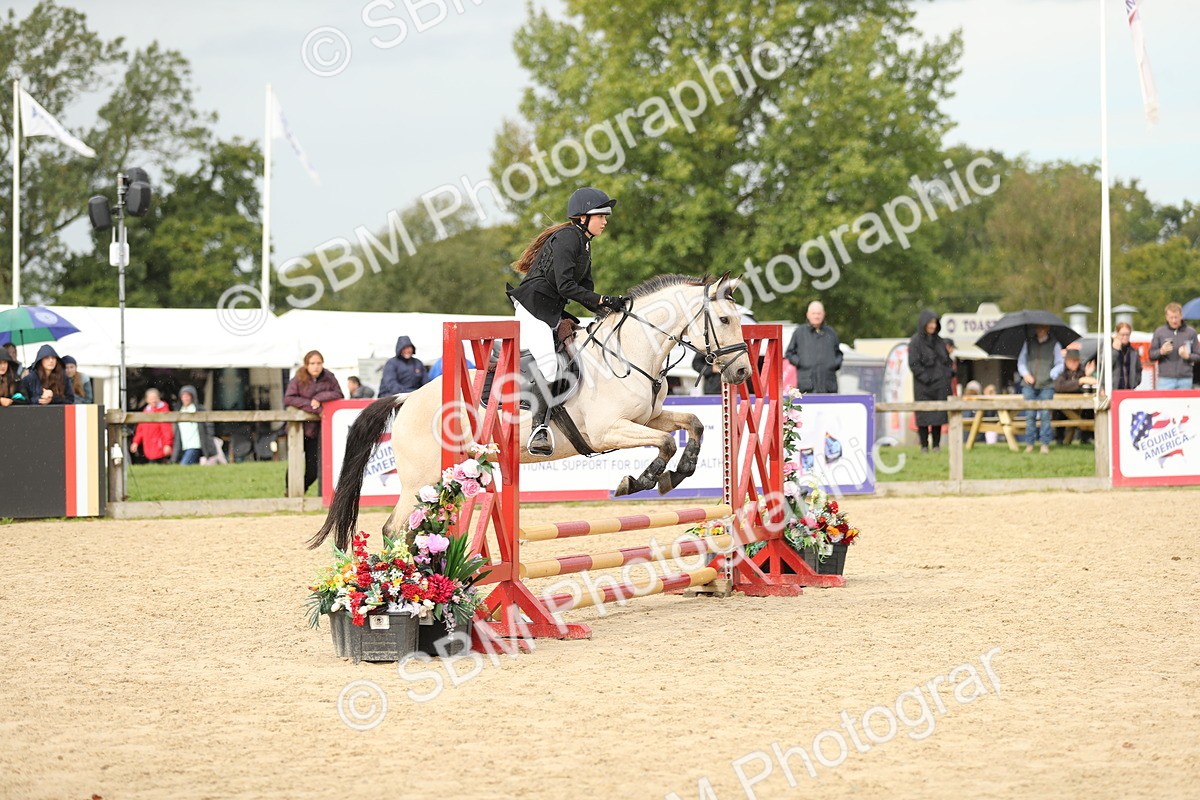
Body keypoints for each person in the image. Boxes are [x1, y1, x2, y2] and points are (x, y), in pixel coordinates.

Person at [507, 186, 624, 455]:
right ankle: (538, 430)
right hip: (533, 310)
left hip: (551, 311)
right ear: (583, 217)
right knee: (549, 366)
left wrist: (609, 312)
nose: (605, 221)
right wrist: (604, 299)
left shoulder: (583, 244)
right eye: (601, 216)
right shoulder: (567, 239)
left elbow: (586, 290)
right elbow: (565, 287)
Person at [284, 350, 344, 493]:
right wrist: (312, 406)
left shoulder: (329, 377)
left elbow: (338, 394)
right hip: (299, 429)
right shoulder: (298, 378)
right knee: (295, 464)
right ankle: (290, 491)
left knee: (313, 469)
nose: (316, 366)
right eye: (312, 363)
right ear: (306, 365)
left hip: (319, 430)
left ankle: (300, 490)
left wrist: (320, 397)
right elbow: (289, 398)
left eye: (319, 363)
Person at [907, 310, 954, 453]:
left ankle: (936, 445)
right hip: (923, 387)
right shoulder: (915, 342)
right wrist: (926, 378)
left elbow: (946, 362)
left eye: (935, 323)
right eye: (930, 323)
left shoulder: (939, 341)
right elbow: (914, 364)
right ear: (924, 324)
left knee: (938, 417)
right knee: (923, 416)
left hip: (939, 386)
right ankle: (924, 446)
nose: (933, 326)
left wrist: (946, 376)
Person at [1017, 325, 1063, 454]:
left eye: (1043, 328)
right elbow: (1021, 362)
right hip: (1029, 385)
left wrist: (1051, 374)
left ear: (1047, 329)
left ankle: (1044, 444)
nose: (1040, 330)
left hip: (1047, 385)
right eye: (1038, 328)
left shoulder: (1055, 344)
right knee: (1030, 415)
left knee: (1045, 415)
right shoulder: (1028, 343)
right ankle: (1030, 444)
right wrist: (1025, 374)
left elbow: (1060, 364)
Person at [785, 301, 842, 394]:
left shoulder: (831, 333)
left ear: (824, 314)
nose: (816, 316)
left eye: (819, 313)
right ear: (808, 315)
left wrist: (833, 364)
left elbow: (839, 354)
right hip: (806, 385)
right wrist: (801, 363)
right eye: (814, 313)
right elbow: (789, 353)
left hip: (829, 386)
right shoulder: (799, 332)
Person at [1149, 302, 1199, 390]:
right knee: (1163, 404)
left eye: (1176, 317)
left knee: (1185, 404)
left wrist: (1188, 356)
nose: (1174, 320)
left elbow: (1198, 356)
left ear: (1181, 316)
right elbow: (1151, 355)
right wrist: (1161, 351)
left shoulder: (1191, 332)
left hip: (1185, 379)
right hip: (1165, 379)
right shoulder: (1160, 332)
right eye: (1171, 317)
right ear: (1166, 317)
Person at [1053, 350, 1096, 444]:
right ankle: (1059, 438)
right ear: (1066, 361)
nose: (1074, 363)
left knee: (1089, 410)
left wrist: (1087, 375)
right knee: (1059, 413)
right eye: (1072, 361)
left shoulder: (1081, 371)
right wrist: (1080, 381)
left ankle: (1086, 437)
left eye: (1076, 360)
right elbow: (1059, 386)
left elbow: (1091, 382)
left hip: (1080, 404)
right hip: (1063, 404)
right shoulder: (1062, 372)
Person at [172, 385, 217, 466]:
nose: (185, 398)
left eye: (187, 396)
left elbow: (209, 427)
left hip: (195, 444)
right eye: (183, 396)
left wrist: (209, 440)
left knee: (183, 465)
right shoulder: (179, 411)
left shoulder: (199, 410)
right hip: (184, 444)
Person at [130, 388, 173, 464]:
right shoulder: (146, 412)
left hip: (160, 447)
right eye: (151, 398)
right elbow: (140, 430)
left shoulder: (164, 411)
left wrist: (167, 444)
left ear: (159, 398)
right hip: (149, 447)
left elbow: (167, 430)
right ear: (147, 400)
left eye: (155, 398)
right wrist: (135, 442)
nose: (153, 400)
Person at [1111, 321, 1143, 390]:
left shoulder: (1133, 352)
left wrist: (1135, 383)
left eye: (1127, 334)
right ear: (1117, 334)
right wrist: (1115, 351)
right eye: (1122, 335)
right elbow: (1105, 366)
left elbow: (1138, 369)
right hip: (1114, 390)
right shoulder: (1109, 350)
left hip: (1129, 390)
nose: (1125, 337)